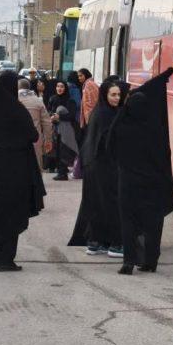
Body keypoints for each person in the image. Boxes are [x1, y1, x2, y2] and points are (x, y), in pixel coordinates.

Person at [108, 60, 173, 274]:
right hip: (152, 182)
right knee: (153, 223)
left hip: (128, 182)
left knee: (129, 222)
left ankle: (128, 261)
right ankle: (150, 262)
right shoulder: (156, 130)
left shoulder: (121, 125)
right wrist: (170, 71)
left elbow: (109, 148)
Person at [0, 71, 45, 272]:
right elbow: (32, 135)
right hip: (14, 165)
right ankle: (4, 258)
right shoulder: (16, 109)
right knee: (12, 211)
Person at [68, 79, 130, 258]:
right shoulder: (107, 115)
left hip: (93, 165)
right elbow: (109, 142)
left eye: (119, 95)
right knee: (112, 203)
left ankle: (96, 242)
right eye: (113, 95)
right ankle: (115, 244)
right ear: (105, 95)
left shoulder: (99, 111)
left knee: (96, 203)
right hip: (104, 166)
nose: (117, 98)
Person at [17, 78, 52, 169]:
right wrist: (48, 140)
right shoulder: (38, 101)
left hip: (17, 137)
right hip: (35, 138)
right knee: (36, 162)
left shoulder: (13, 99)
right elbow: (47, 123)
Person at [48, 81, 78, 181]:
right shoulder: (53, 99)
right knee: (57, 150)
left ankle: (63, 173)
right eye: (57, 86)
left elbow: (71, 116)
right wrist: (52, 117)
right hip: (56, 128)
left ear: (65, 88)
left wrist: (59, 116)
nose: (59, 88)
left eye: (62, 87)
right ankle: (60, 171)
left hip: (66, 129)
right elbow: (49, 111)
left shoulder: (70, 101)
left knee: (64, 150)